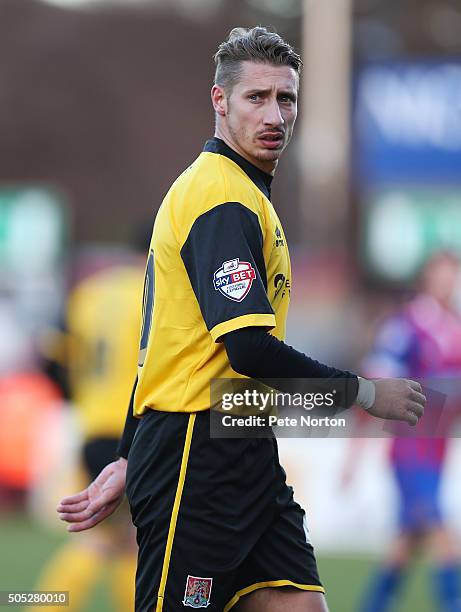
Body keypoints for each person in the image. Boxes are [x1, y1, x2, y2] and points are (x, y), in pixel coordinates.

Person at [57, 27, 425, 612]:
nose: (276, 114)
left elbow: (165, 342)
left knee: (301, 606)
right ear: (219, 101)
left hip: (242, 439)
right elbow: (248, 349)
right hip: (194, 457)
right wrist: (360, 391)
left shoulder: (246, 196)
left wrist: (128, 451)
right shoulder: (220, 198)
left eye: (287, 98)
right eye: (257, 97)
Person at [343, 252, 461, 612]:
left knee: (405, 546)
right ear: (428, 278)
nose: (448, 282)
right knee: (444, 539)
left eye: (453, 275)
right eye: (442, 275)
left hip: (437, 454)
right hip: (411, 455)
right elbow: (373, 388)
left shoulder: (453, 329)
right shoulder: (406, 327)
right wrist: (354, 455)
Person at [33, 253, 146, 612]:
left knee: (125, 540)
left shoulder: (89, 292)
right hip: (133, 434)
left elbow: (51, 358)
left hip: (93, 428)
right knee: (104, 540)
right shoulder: (155, 292)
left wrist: (81, 396)